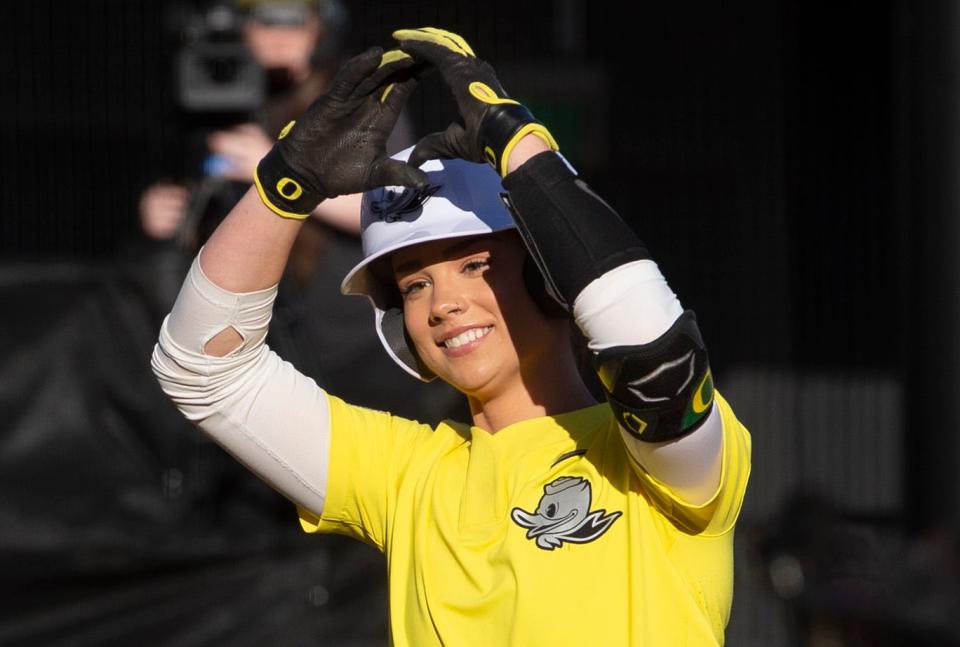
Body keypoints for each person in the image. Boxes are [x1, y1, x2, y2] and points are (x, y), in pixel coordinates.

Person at [152, 27, 752, 646]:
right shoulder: (406, 475)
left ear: (553, 280)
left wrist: (520, 144)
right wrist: (285, 186)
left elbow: (658, 361)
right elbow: (200, 366)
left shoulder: (649, 459)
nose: (443, 304)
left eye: (473, 265)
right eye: (413, 285)